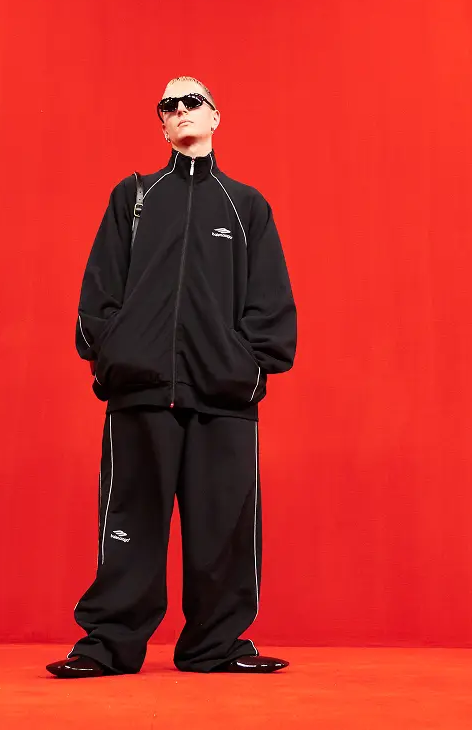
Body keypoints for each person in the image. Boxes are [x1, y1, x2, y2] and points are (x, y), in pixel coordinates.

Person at [45, 77, 297, 678]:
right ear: (162, 125)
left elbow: (271, 301)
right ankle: (107, 646)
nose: (181, 110)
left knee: (223, 528)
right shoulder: (133, 197)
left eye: (192, 102)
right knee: (129, 523)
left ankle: (217, 646)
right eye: (169, 105)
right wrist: (116, 356)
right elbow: (98, 292)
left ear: (215, 117)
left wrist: (245, 367)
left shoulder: (246, 206)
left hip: (223, 396)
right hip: (141, 392)